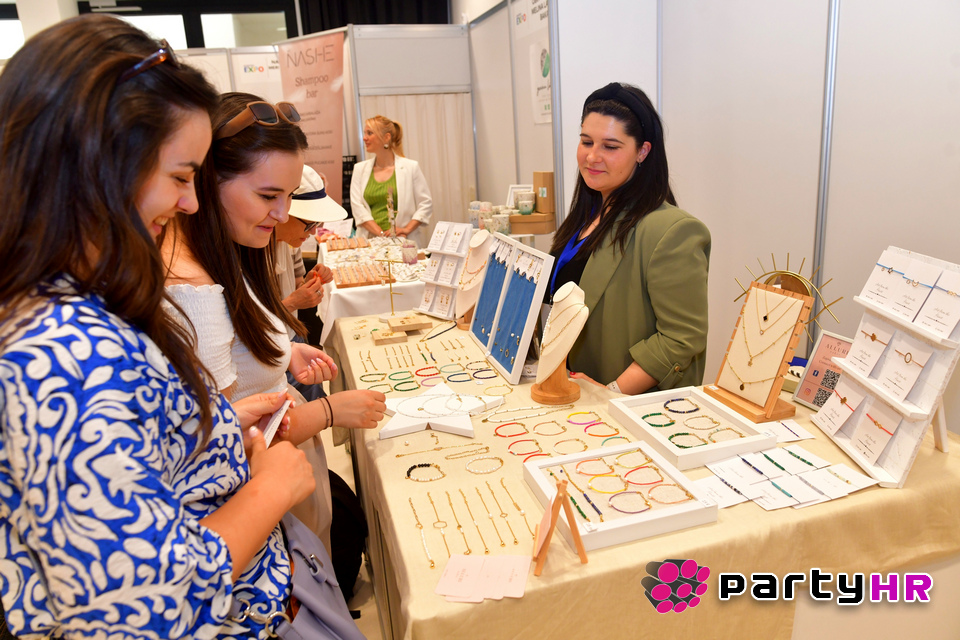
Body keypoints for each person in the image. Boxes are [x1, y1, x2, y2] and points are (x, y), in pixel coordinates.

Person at [0, 16, 320, 638]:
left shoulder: (70, 301)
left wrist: (212, 431)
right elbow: (139, 609)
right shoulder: (65, 351)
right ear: (98, 164)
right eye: (178, 177)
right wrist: (269, 492)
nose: (191, 203)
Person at [162, 92, 386, 554]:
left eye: (288, 196)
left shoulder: (229, 252)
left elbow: (241, 349)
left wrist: (284, 352)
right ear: (206, 181)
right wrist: (329, 412)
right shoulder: (192, 290)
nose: (284, 213)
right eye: (268, 196)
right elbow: (229, 446)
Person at [548, 82, 711, 395]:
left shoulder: (672, 231)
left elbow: (681, 337)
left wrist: (612, 392)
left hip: (621, 405)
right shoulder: (587, 214)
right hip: (566, 390)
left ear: (642, 151)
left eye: (610, 147)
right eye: (586, 141)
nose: (592, 156)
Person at [276, 166, 344, 401]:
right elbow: (247, 321)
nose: (314, 232)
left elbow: (295, 286)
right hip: (271, 345)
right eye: (308, 224)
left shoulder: (290, 243)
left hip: (291, 333)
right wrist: (293, 302)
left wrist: (309, 283)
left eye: (317, 223)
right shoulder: (250, 249)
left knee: (316, 397)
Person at [350, 115, 433, 245]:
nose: (364, 138)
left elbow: (425, 204)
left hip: (404, 242)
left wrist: (406, 229)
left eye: (370, 133)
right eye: (365, 133)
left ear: (386, 137)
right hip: (369, 243)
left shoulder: (411, 167)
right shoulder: (359, 169)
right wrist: (382, 234)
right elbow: (357, 208)